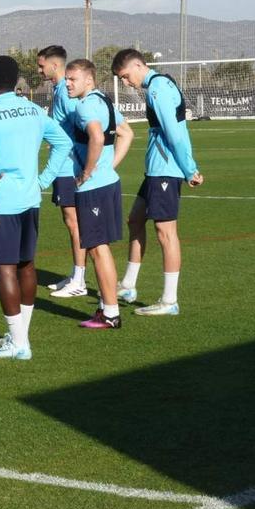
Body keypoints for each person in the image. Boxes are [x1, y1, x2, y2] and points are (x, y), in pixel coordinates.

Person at [0, 56, 71, 361]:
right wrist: (44, 180)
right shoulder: (33, 109)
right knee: (26, 265)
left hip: (2, 202)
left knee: (4, 267)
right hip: (29, 199)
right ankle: (20, 335)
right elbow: (63, 143)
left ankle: (20, 342)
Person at [112, 48, 203, 315]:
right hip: (156, 170)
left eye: (126, 76)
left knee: (166, 233)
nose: (126, 83)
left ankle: (169, 300)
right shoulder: (156, 86)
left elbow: (174, 134)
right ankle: (128, 284)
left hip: (167, 170)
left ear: (139, 65)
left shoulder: (157, 88)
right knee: (135, 219)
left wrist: (189, 170)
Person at [63, 59, 134, 330]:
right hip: (108, 183)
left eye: (73, 79)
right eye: (67, 79)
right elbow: (126, 134)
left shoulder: (85, 106)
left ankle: (111, 314)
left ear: (88, 80)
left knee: (97, 249)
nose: (68, 83)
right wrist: (107, 166)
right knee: (100, 247)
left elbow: (95, 137)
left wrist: (88, 172)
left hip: (93, 188)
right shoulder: (103, 99)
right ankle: (107, 307)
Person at [37, 45, 87, 299]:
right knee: (70, 221)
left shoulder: (66, 95)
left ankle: (79, 280)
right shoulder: (59, 90)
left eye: (41, 65)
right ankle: (76, 273)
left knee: (74, 221)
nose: (39, 69)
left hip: (68, 166)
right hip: (62, 166)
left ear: (55, 65)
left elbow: (83, 124)